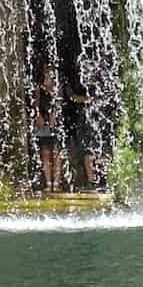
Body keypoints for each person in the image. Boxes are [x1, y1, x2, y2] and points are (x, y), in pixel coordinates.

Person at [33, 64, 64, 193]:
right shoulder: (39, 87)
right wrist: (38, 116)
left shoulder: (58, 87)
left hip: (55, 122)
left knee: (57, 153)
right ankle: (48, 183)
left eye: (51, 71)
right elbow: (36, 103)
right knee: (45, 153)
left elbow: (59, 102)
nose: (49, 73)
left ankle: (56, 183)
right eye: (47, 71)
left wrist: (54, 116)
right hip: (43, 121)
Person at [61, 73, 95, 188]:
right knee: (74, 152)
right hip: (74, 122)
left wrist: (85, 99)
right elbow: (73, 98)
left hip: (88, 123)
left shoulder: (96, 85)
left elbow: (75, 98)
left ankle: (91, 181)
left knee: (89, 153)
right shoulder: (73, 84)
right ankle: (70, 181)